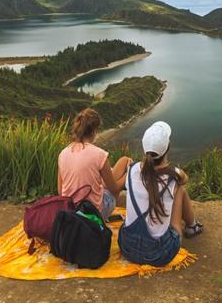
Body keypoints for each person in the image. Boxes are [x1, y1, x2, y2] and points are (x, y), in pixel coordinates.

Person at [118, 121, 204, 267]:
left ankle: (191, 225)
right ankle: (191, 226)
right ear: (168, 146)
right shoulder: (174, 175)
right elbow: (184, 180)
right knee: (180, 191)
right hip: (159, 254)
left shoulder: (132, 169)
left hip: (127, 247)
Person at [57, 108, 132, 220]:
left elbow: (60, 190)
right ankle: (102, 219)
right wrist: (129, 172)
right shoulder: (99, 154)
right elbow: (115, 189)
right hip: (93, 213)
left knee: (124, 160)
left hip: (71, 211)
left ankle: (124, 163)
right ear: (94, 131)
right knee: (113, 189)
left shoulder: (63, 153)